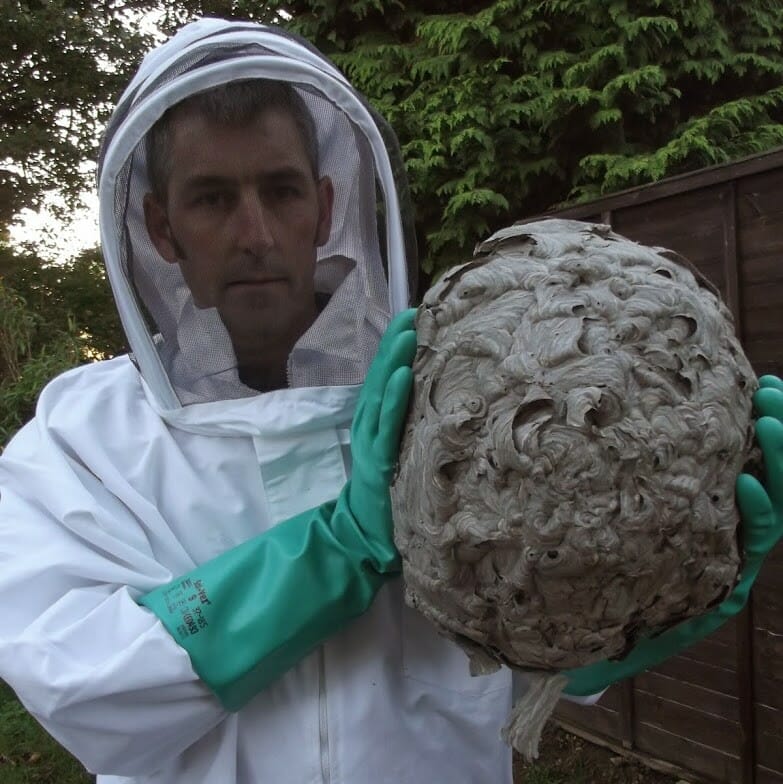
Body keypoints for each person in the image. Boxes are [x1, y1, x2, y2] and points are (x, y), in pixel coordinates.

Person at [0, 16, 781, 784]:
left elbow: (519, 653)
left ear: (327, 205)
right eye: (211, 199)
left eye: (281, 190)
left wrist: (637, 607)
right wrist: (333, 551)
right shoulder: (80, 444)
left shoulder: (452, 392)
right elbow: (81, 681)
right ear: (159, 228)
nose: (256, 233)